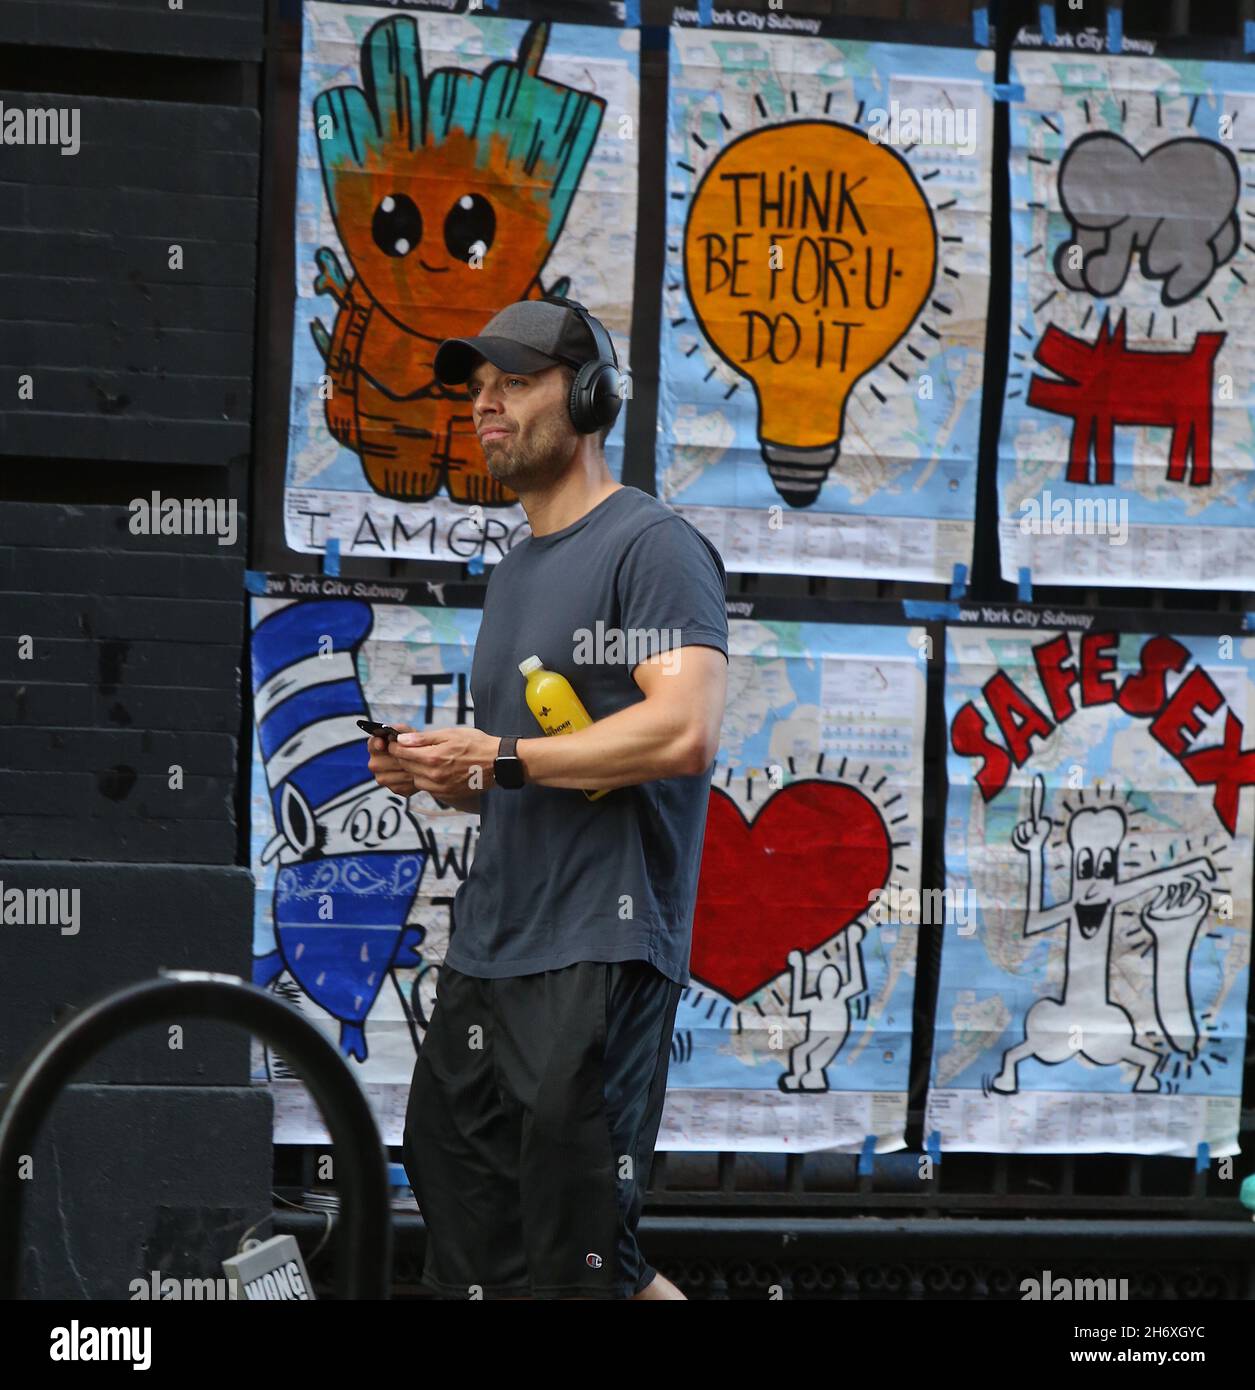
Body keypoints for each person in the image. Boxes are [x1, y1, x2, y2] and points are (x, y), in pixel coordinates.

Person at [367, 297, 729, 1301]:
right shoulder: (517, 570)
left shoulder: (649, 546)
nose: (486, 406)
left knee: (582, 1254)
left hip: (597, 952)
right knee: (472, 1237)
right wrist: (450, 775)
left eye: (512, 383)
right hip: (491, 953)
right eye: (475, 390)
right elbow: (541, 767)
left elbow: (683, 728)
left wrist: (505, 759)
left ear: (586, 395)